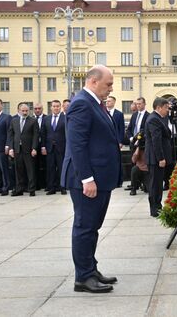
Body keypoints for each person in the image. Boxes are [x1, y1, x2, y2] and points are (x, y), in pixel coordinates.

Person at [61, 65, 122, 294]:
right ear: (94, 81)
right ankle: (83, 277)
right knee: (85, 226)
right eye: (108, 84)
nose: (111, 88)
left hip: (99, 178)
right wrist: (87, 178)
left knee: (93, 227)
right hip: (86, 180)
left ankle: (90, 269)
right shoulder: (81, 104)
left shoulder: (94, 103)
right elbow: (77, 145)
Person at [144, 97, 172, 217]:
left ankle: (158, 206)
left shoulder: (158, 118)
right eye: (166, 108)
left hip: (157, 157)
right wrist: (160, 158)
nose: (167, 110)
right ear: (158, 107)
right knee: (155, 183)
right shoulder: (153, 119)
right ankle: (155, 208)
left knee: (158, 182)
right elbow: (156, 140)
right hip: (155, 158)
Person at [7, 102, 39, 196]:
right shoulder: (14, 121)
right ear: (18, 111)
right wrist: (11, 148)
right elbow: (11, 135)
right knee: (18, 170)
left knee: (30, 170)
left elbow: (36, 136)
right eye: (23, 111)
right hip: (17, 149)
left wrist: (34, 148)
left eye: (26, 111)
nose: (25, 112)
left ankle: (31, 189)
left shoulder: (33, 121)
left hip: (28, 150)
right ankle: (19, 189)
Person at [42, 100, 67, 195]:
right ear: (51, 107)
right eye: (54, 106)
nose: (56, 108)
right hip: (49, 148)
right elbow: (43, 134)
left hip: (61, 147)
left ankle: (62, 187)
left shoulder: (65, 118)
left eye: (57, 106)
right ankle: (51, 187)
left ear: (60, 107)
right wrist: (43, 146)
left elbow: (67, 133)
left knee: (61, 168)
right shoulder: (46, 119)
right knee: (50, 168)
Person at [33, 103, 47, 190]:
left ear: (42, 109)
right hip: (33, 147)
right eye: (35, 108)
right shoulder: (30, 119)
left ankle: (45, 184)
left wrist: (43, 146)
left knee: (45, 166)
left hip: (44, 146)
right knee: (34, 166)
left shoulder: (47, 118)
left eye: (39, 108)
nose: (37, 110)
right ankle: (36, 185)